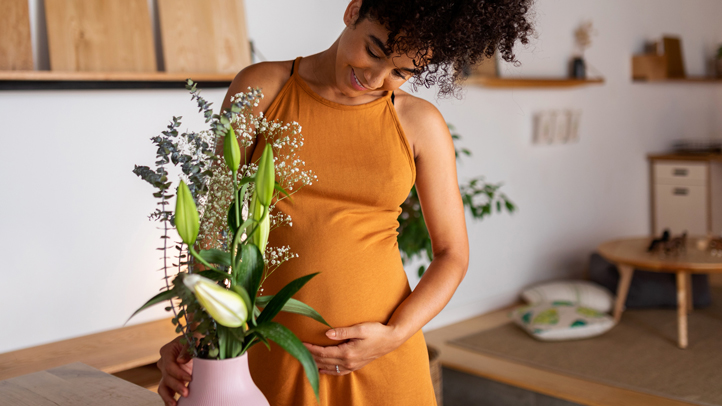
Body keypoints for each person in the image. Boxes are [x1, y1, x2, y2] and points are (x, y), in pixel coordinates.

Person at [157, 0, 533, 405]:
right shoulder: (264, 87)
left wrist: (393, 336)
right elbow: (213, 225)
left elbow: (452, 254)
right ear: (353, 11)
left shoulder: (420, 123)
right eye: (375, 50)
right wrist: (204, 339)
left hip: (385, 361)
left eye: (402, 72)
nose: (375, 77)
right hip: (273, 354)